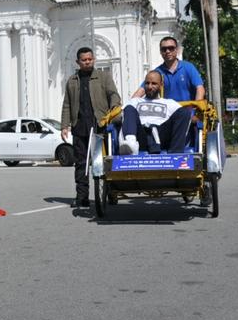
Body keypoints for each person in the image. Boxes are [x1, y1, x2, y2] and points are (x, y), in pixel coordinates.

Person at [60, 47, 121, 208]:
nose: (87, 62)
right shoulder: (72, 81)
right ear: (78, 62)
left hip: (100, 126)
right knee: (81, 163)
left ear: (93, 59)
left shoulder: (103, 77)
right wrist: (64, 126)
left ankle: (110, 194)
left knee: (104, 162)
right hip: (79, 127)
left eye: (90, 59)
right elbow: (66, 105)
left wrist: (114, 107)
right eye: (84, 60)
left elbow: (114, 94)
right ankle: (82, 197)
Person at [120, 70, 191, 155]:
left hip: (162, 136)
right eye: (147, 83)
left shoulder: (169, 103)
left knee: (184, 112)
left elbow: (184, 118)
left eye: (154, 83)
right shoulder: (135, 101)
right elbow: (123, 117)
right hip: (141, 136)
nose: (150, 87)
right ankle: (130, 145)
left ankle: (175, 153)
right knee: (129, 108)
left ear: (161, 85)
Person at [131, 36, 205, 102]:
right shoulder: (157, 72)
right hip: (167, 115)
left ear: (177, 50)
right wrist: (129, 106)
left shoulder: (188, 67)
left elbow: (200, 89)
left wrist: (196, 110)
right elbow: (142, 90)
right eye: (164, 49)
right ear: (160, 52)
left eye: (171, 48)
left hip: (188, 114)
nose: (167, 51)